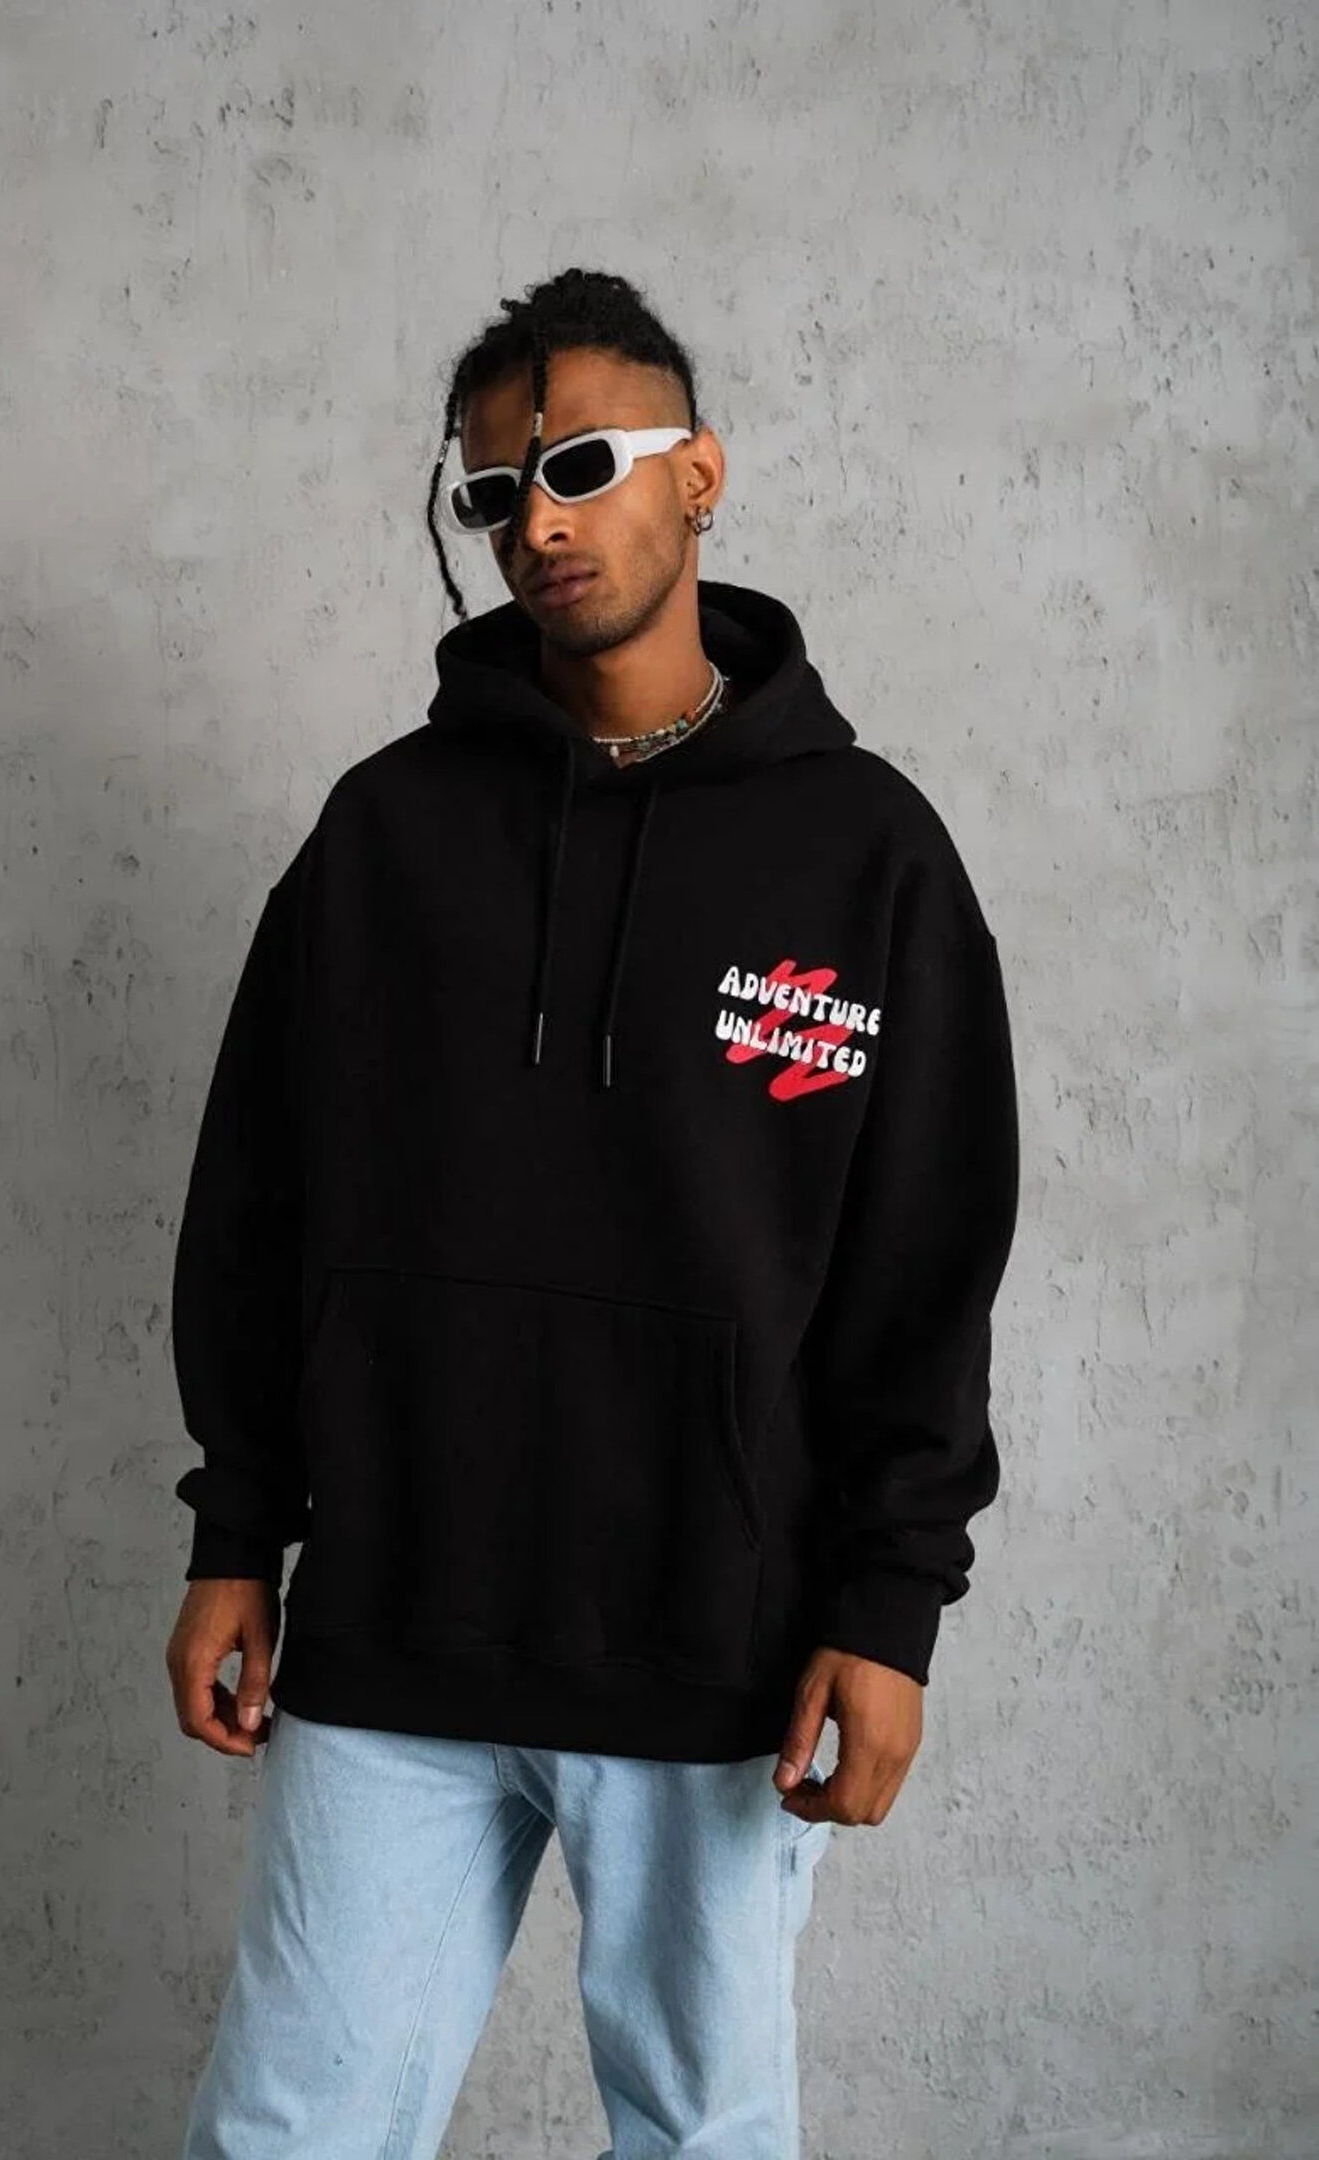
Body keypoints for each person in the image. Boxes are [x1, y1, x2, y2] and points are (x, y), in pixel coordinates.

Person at [165, 267, 1021, 2159]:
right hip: (393, 1626)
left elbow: (926, 1264)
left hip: (716, 1646)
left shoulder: (866, 851)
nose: (536, 523)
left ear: (698, 474)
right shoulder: (385, 834)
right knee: (288, 2135)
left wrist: (891, 1609)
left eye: (579, 467)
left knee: (703, 2136)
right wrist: (238, 1528)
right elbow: (255, 1201)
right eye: (495, 492)